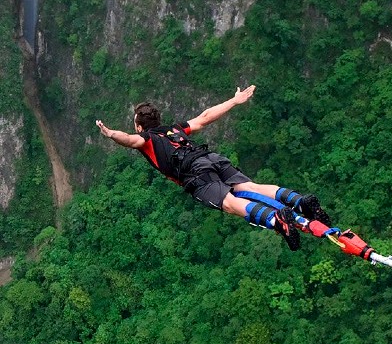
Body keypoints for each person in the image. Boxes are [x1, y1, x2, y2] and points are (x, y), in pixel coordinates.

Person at [96, 86, 329, 251]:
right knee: (250, 186)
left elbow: (128, 140)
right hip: (210, 157)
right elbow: (205, 117)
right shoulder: (176, 129)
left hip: (195, 174)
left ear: (139, 126)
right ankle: (300, 201)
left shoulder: (146, 140)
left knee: (229, 203)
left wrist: (110, 134)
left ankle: (276, 219)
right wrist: (234, 101)